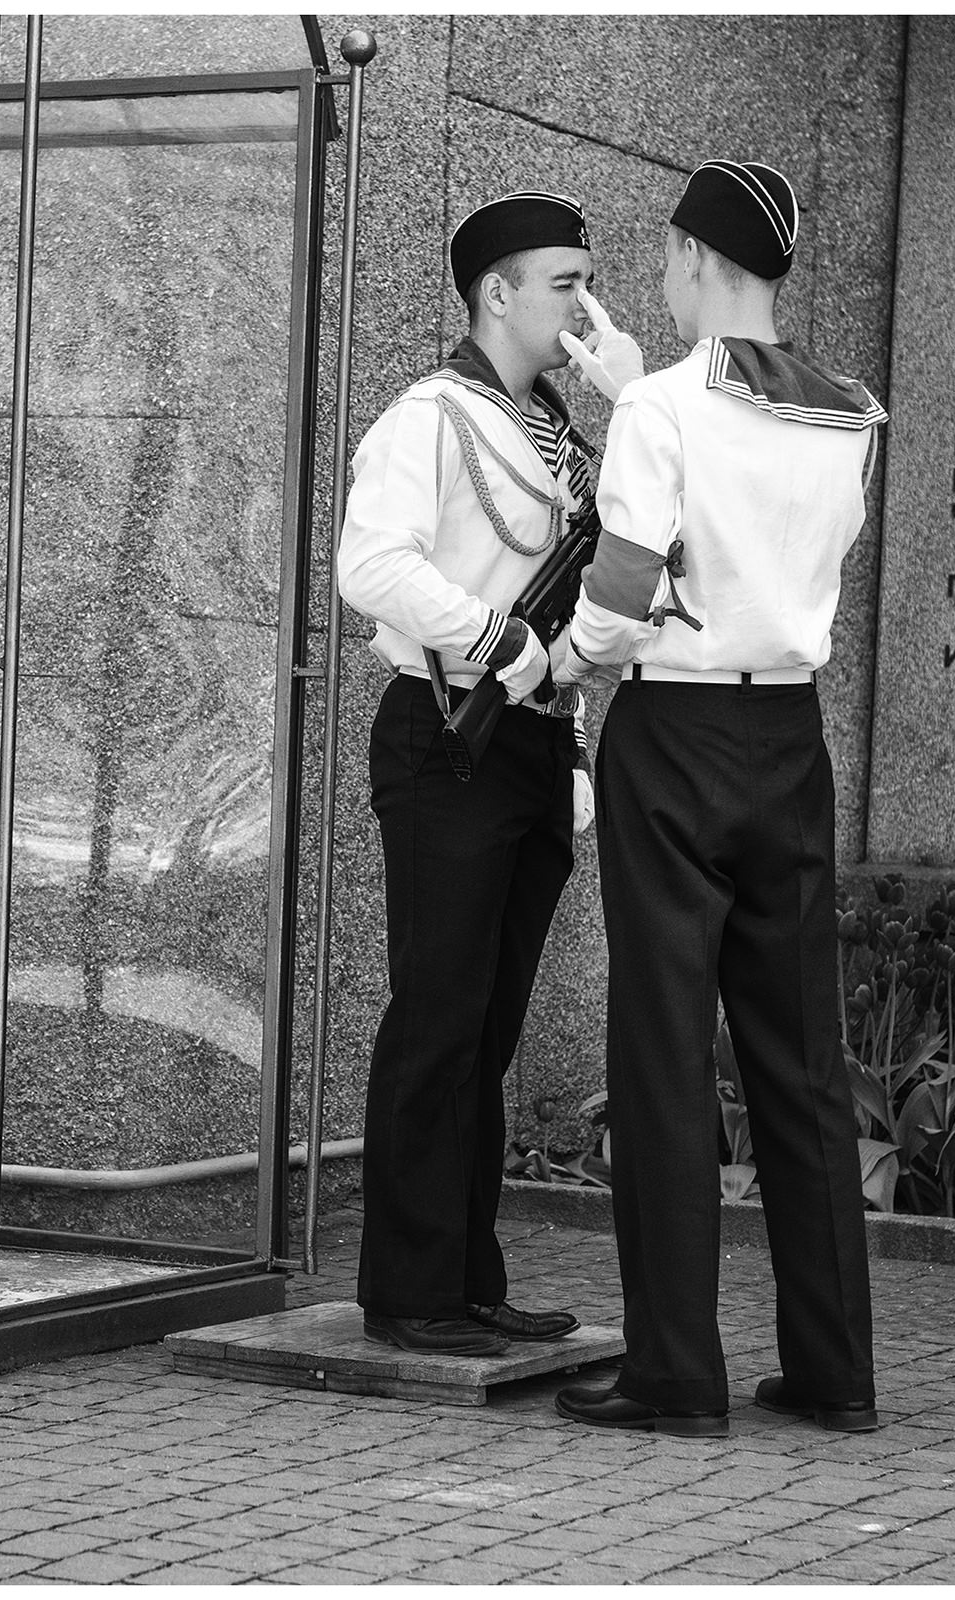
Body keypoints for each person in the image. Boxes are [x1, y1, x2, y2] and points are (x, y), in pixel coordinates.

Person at [548, 161, 886, 1435]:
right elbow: (740, 463)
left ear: (693, 257)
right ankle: (835, 1372)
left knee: (663, 1049)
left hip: (677, 734)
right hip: (788, 737)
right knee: (801, 1063)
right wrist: (634, 386)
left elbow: (628, 584)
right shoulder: (848, 412)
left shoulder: (663, 412)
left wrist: (575, 663)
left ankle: (675, 1371)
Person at [335, 191, 640, 1359]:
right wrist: (500, 644)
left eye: (589, 277)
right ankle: (408, 1290)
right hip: (446, 725)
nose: (584, 302)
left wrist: (560, 731)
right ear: (497, 293)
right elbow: (373, 565)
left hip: (527, 738)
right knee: (440, 1014)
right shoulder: (431, 415)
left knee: (492, 1026)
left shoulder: (558, 426)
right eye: (564, 281)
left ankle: (466, 1279)